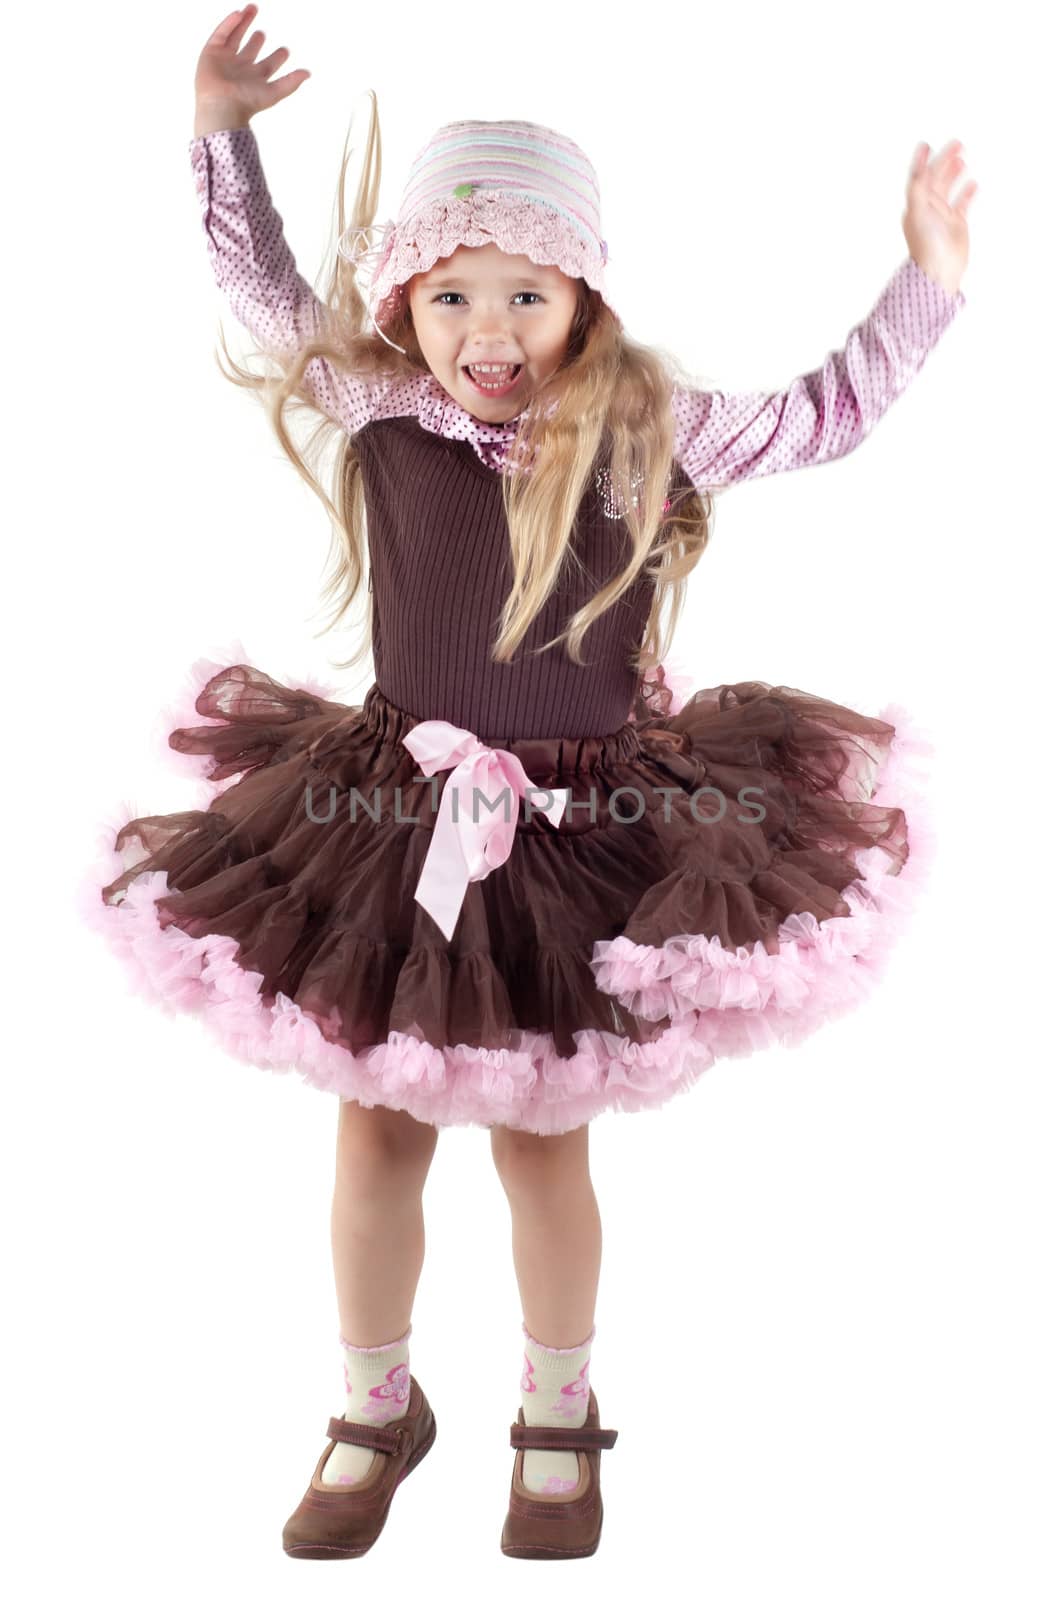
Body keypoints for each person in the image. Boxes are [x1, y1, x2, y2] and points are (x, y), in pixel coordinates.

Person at [79, 3, 975, 1562]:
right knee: (372, 1131)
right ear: (407, 302)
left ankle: (558, 1412)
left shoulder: (645, 430)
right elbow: (258, 286)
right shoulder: (376, 404)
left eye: (528, 292)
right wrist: (221, 133)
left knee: (542, 1136)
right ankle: (374, 1407)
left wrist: (927, 283)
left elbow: (829, 414)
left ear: (586, 297)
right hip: (388, 819)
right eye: (453, 294)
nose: (487, 328)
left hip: (582, 830)